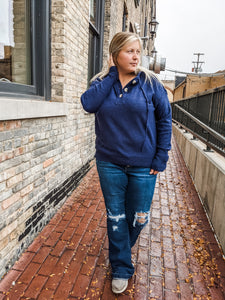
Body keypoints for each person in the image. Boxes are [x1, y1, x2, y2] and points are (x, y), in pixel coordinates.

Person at [81, 32, 172, 294]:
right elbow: (88, 104)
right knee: (116, 217)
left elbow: (165, 119)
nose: (135, 56)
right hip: (109, 162)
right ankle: (121, 266)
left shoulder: (150, 82)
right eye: (129, 51)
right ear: (115, 55)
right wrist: (111, 75)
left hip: (144, 164)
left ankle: (119, 247)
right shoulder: (100, 82)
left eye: (137, 51)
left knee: (139, 217)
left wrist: (161, 155)